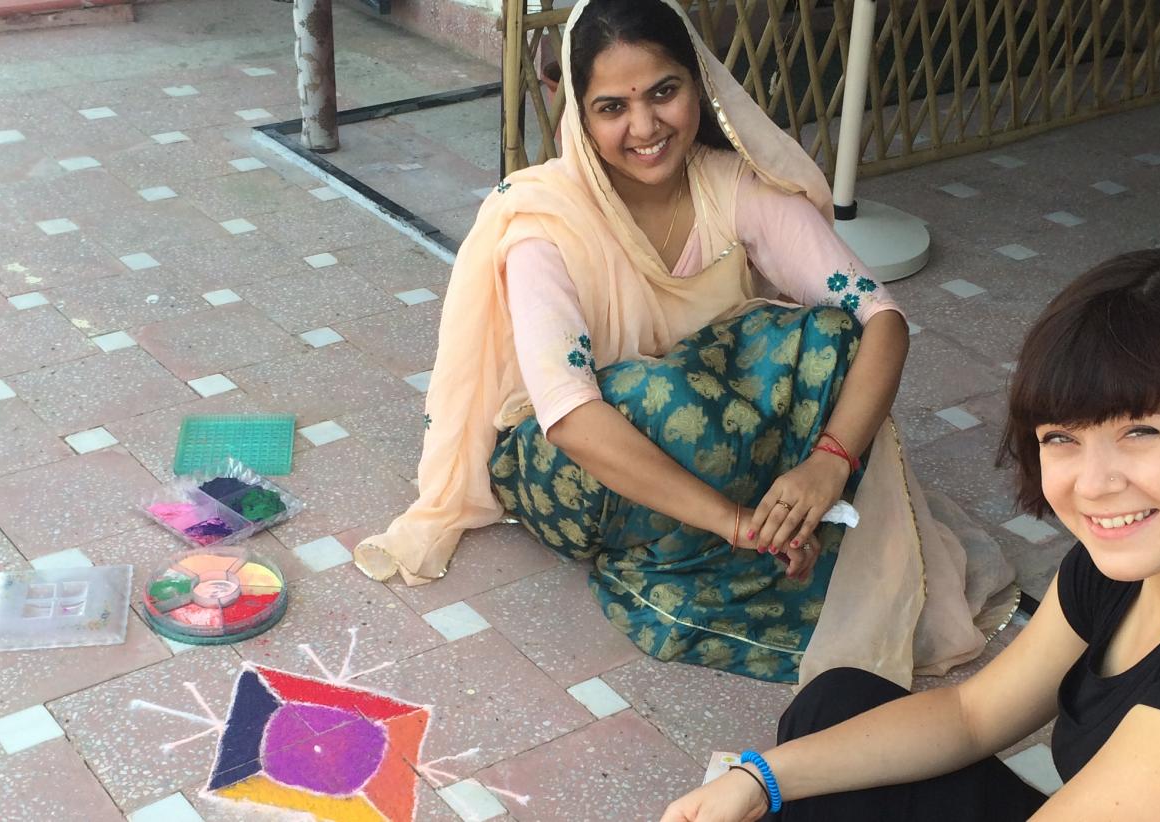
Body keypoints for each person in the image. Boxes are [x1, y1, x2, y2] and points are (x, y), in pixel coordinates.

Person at [350, 0, 1018, 685]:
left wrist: (828, 461)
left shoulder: (731, 187)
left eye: (664, 92)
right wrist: (735, 523)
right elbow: (571, 416)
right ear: (577, 110)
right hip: (562, 465)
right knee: (662, 392)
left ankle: (770, 512)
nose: (645, 128)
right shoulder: (542, 221)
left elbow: (882, 319)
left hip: (701, 422)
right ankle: (696, 553)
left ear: (698, 83)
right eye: (612, 107)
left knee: (830, 337)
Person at [662, 248, 1160, 820]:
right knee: (836, 707)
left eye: (1141, 430)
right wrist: (758, 778)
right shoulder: (1126, 568)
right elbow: (972, 715)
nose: (1094, 483)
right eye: (1062, 437)